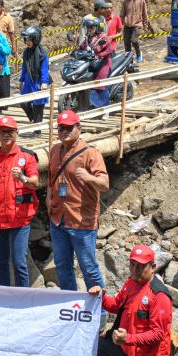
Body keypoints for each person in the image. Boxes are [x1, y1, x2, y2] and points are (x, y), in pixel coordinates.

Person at [89, 244, 173, 356]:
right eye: (132, 265)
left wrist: (129, 339)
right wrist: (101, 297)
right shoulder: (130, 284)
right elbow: (115, 305)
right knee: (94, 347)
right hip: (125, 348)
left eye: (141, 266)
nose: (136, 270)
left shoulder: (159, 296)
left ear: (153, 266)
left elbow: (158, 334)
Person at [47, 110, 109, 291]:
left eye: (68, 127)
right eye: (61, 128)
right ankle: (70, 307)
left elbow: (104, 184)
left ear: (79, 129)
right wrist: (49, 199)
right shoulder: (55, 150)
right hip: (58, 218)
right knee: (62, 266)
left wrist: (89, 178)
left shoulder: (91, 154)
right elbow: (51, 179)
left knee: (89, 268)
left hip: (82, 221)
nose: (64, 131)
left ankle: (101, 312)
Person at [0, 116, 40, 288]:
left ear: (17, 133)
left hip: (20, 219)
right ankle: (3, 297)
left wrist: (22, 177)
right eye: (2, 131)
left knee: (19, 262)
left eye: (10, 131)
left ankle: (23, 298)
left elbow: (35, 183)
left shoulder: (27, 156)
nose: (6, 134)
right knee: (0, 262)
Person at [19, 26, 50, 134]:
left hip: (38, 81)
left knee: (38, 106)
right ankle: (34, 120)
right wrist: (21, 80)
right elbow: (24, 67)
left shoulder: (43, 53)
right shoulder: (26, 52)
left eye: (29, 40)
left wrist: (45, 82)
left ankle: (37, 130)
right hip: (28, 81)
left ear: (35, 39)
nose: (27, 42)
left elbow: (45, 69)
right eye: (25, 40)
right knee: (23, 102)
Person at [80, 15, 115, 108]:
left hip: (103, 64)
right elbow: (82, 48)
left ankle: (105, 108)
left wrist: (99, 55)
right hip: (91, 64)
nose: (89, 29)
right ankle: (92, 105)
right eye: (88, 27)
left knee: (100, 85)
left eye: (91, 27)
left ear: (97, 28)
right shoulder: (88, 39)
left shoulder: (103, 37)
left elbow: (109, 50)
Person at [120, 0, 150, 64]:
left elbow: (145, 13)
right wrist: (121, 24)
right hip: (127, 25)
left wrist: (145, 25)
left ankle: (139, 54)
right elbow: (122, 14)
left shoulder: (141, 0)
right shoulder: (125, 1)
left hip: (137, 25)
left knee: (134, 40)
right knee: (126, 42)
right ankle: (129, 60)